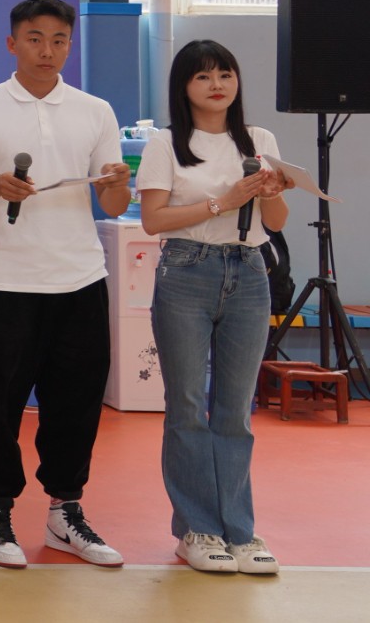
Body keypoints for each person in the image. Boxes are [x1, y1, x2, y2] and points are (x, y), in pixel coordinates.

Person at [0, 0, 132, 569]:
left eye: (58, 40)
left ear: (70, 45)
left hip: (81, 278)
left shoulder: (96, 111)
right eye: (34, 38)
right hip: (8, 281)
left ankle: (64, 512)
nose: (47, 50)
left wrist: (118, 183)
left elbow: (113, 202)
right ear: (12, 43)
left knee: (76, 404)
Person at [138, 40, 289, 575]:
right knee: (185, 405)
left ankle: (240, 531)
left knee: (236, 409)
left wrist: (269, 190)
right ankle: (197, 529)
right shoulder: (165, 143)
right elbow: (153, 220)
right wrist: (222, 201)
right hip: (186, 270)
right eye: (203, 76)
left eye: (225, 73)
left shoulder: (260, 139)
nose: (217, 84)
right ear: (184, 86)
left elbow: (276, 221)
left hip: (249, 271)